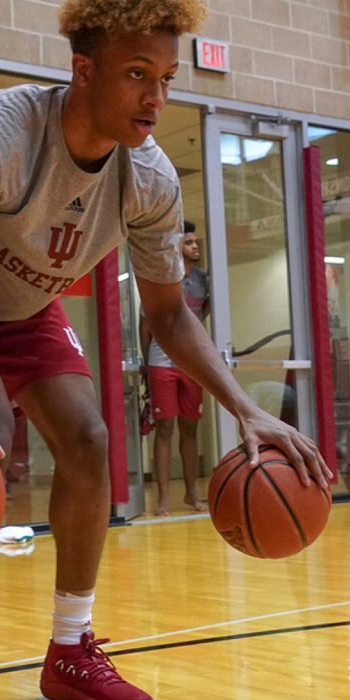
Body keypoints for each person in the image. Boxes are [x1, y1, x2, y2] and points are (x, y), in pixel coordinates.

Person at [0, 0, 331, 700]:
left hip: (25, 304)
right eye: (137, 74)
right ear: (83, 70)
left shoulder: (149, 179)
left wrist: (246, 409)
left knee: (88, 439)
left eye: (167, 78)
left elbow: (168, 315)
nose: (156, 97)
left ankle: (69, 650)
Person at [139, 220, 209, 514]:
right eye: (189, 242)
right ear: (177, 246)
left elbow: (204, 312)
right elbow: (145, 324)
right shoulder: (163, 278)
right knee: (164, 427)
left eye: (195, 242)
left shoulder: (204, 279)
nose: (195, 247)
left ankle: (192, 494)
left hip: (191, 361)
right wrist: (145, 363)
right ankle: (163, 497)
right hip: (161, 359)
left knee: (190, 427)